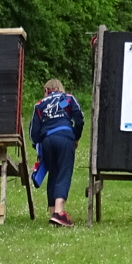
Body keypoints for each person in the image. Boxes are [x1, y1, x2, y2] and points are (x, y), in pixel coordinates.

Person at [30, 78, 85, 227]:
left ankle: (53, 213)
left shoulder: (40, 104)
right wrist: (75, 137)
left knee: (53, 174)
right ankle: (59, 213)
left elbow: (33, 132)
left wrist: (39, 148)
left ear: (46, 90)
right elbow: (79, 119)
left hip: (47, 140)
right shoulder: (67, 99)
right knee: (64, 172)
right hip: (65, 137)